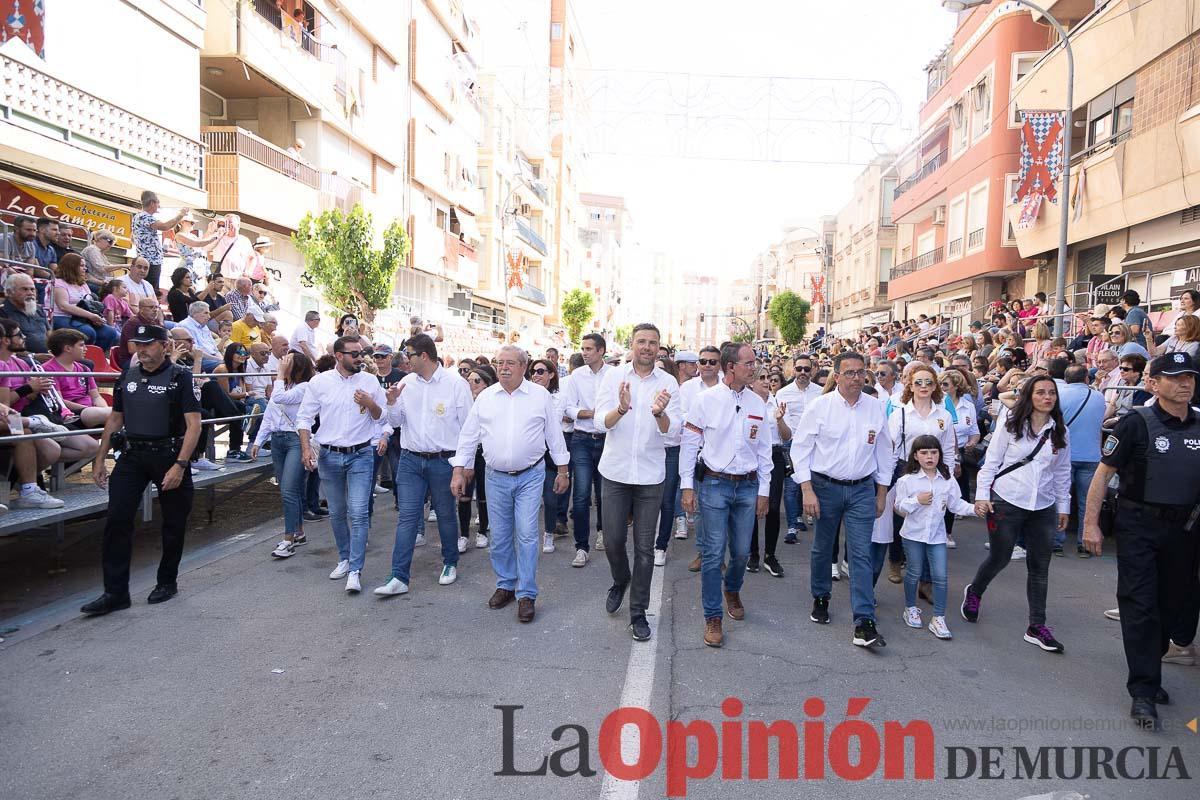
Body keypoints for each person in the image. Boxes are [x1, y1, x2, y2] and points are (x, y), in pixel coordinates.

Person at [1082, 352, 1200, 730]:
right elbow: (1102, 476)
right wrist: (1091, 525)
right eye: (1176, 377)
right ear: (1154, 384)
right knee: (1141, 607)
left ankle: (1153, 674)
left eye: (1190, 377)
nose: (1185, 383)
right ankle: (1144, 691)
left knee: (1173, 605)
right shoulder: (1136, 423)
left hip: (1185, 531)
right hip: (1139, 527)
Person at [80, 323, 201, 616]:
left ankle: (166, 581)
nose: (142, 350)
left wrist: (180, 466)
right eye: (138, 344)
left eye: (148, 344)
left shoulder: (180, 377)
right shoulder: (128, 375)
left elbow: (193, 425)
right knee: (117, 519)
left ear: (164, 345)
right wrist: (99, 458)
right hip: (132, 456)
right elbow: (115, 418)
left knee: (173, 523)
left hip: (168, 456)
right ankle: (115, 592)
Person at [451, 346, 569, 624]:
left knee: (527, 533)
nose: (503, 368)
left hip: (530, 475)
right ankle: (506, 584)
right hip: (495, 477)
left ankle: (526, 593)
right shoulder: (485, 398)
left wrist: (563, 471)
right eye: (499, 363)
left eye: (510, 363)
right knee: (501, 535)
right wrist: (459, 470)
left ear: (523, 367)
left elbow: (554, 435)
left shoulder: (540, 396)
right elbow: (468, 436)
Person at [790, 351, 892, 648]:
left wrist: (881, 492)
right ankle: (821, 596)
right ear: (836, 376)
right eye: (850, 373)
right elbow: (800, 450)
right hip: (825, 487)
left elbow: (885, 452)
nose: (857, 378)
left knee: (860, 552)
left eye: (861, 373)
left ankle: (864, 620)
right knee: (823, 548)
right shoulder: (820, 407)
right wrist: (807, 489)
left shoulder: (876, 408)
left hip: (862, 489)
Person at [963, 375, 1071, 654]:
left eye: (1051, 393)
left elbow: (1062, 472)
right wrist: (982, 496)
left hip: (1043, 507)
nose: (1047, 397)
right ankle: (975, 591)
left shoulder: (1060, 430)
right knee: (1000, 556)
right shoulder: (1011, 425)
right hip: (1007, 500)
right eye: (1041, 393)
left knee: (1040, 566)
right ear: (1029, 397)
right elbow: (991, 462)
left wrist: (1063, 506)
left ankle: (1037, 626)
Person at [679, 342, 772, 648]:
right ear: (731, 366)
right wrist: (687, 486)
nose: (754, 368)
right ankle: (712, 615)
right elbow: (690, 446)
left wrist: (764, 490)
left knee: (743, 552)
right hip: (714, 485)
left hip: (747, 486)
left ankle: (732, 588)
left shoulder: (758, 404)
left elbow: (764, 451)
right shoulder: (705, 401)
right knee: (713, 552)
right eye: (749, 363)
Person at [595, 323, 679, 642]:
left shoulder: (669, 383)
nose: (646, 347)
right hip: (615, 473)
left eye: (652, 343)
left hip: (650, 476)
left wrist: (659, 413)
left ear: (659, 348)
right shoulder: (613, 377)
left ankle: (638, 613)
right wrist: (621, 409)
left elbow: (674, 433)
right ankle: (620, 579)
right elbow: (599, 422)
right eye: (641, 342)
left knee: (644, 548)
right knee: (614, 541)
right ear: (632, 345)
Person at [373, 334, 471, 597]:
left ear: (424, 356)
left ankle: (450, 562)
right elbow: (395, 422)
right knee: (407, 517)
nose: (405, 360)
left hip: (444, 460)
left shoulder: (455, 384)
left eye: (409, 355)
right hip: (410, 459)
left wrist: (464, 467)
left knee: (446, 514)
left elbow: (469, 428)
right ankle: (398, 576)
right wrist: (392, 402)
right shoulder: (406, 383)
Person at [296, 335, 385, 592]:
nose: (360, 358)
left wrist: (370, 404)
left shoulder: (370, 381)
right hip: (329, 456)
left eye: (361, 353)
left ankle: (355, 569)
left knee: (358, 512)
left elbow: (381, 418)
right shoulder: (319, 382)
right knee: (336, 512)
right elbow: (304, 418)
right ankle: (345, 558)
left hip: (361, 455)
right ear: (338, 356)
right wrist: (305, 448)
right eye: (354, 354)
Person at [894, 435, 982, 640]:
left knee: (940, 576)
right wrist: (917, 500)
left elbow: (956, 504)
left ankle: (938, 617)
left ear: (940, 455)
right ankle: (910, 607)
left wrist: (975, 509)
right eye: (924, 453)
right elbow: (898, 507)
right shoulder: (907, 480)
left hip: (936, 536)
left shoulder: (947, 480)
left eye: (934, 452)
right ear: (915, 456)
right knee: (914, 572)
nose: (929, 457)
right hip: (913, 535)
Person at [250, 352, 315, 559]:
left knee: (288, 489)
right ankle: (299, 532)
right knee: (289, 489)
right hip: (278, 441)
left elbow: (278, 398)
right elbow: (269, 414)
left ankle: (288, 539)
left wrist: (278, 375)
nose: (282, 365)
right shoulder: (282, 386)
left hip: (295, 440)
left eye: (287, 363)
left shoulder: (304, 388)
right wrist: (259, 441)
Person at [560, 332, 612, 566]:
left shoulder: (614, 375)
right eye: (583, 348)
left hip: (608, 439)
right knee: (580, 495)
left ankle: (603, 531)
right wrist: (592, 413)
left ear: (601, 351)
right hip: (581, 439)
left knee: (604, 494)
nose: (584, 352)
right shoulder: (575, 377)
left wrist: (600, 415)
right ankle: (581, 547)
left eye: (589, 348)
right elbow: (569, 409)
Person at [1054, 363, 1105, 557]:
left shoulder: (1059, 395)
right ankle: (1084, 544)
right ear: (1086, 378)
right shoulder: (1098, 396)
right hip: (1091, 456)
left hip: (1064, 455)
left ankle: (1056, 542)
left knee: (1060, 498)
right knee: (1087, 502)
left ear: (1066, 379)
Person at [775, 353, 824, 544]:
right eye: (799, 368)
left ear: (812, 370)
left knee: (816, 485)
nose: (803, 372)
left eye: (806, 368)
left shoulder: (821, 392)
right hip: (792, 443)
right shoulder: (783, 393)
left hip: (816, 445)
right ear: (793, 370)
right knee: (792, 487)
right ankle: (792, 525)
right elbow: (783, 426)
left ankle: (818, 523)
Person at [748, 371, 789, 577]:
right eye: (762, 378)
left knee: (773, 506)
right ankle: (752, 553)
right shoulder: (747, 403)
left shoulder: (777, 403)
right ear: (752, 382)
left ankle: (770, 555)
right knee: (751, 506)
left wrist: (780, 420)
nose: (766, 382)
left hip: (774, 456)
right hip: (751, 458)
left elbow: (787, 436)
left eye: (769, 379)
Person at [457, 365, 497, 549]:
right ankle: (463, 534)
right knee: (464, 493)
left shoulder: (492, 402)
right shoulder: (463, 401)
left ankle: (482, 530)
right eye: (469, 380)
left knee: (483, 493)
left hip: (485, 452)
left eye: (477, 380)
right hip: (466, 451)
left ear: (487, 383)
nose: (471, 383)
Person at [48, 253, 119, 350]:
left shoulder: (83, 284)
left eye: (85, 266)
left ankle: (95, 358)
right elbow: (64, 306)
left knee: (110, 332)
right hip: (61, 316)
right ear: (71, 266)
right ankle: (79, 360)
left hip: (81, 317)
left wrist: (97, 318)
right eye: (81, 265)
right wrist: (90, 316)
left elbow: (90, 304)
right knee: (88, 332)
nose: (85, 268)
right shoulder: (58, 283)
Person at [45, 329, 111, 428]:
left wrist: (103, 410)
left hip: (92, 412)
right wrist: (88, 409)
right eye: (81, 345)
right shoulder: (48, 370)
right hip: (70, 415)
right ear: (68, 348)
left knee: (118, 416)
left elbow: (96, 397)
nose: (86, 349)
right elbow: (59, 401)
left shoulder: (84, 368)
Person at [131, 192, 187, 291]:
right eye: (157, 203)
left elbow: (133, 238)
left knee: (148, 289)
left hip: (148, 259)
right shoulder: (144, 216)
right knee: (150, 290)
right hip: (150, 261)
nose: (159, 206)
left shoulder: (138, 217)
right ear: (152, 203)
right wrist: (180, 215)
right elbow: (165, 226)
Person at [212, 342, 253, 462]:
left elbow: (241, 393)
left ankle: (250, 425)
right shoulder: (222, 369)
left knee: (253, 405)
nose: (242, 355)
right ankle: (234, 449)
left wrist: (245, 395)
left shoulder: (240, 371)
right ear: (230, 354)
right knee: (240, 408)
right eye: (239, 352)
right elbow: (226, 395)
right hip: (217, 405)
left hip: (234, 404)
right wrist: (245, 394)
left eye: (245, 353)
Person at [177, 301, 223, 372]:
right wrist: (218, 359)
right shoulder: (184, 326)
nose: (209, 316)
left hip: (212, 358)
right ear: (195, 314)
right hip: (198, 360)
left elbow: (214, 348)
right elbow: (195, 351)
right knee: (226, 366)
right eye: (206, 313)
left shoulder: (204, 326)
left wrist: (221, 358)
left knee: (237, 363)